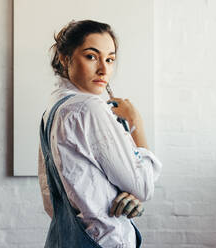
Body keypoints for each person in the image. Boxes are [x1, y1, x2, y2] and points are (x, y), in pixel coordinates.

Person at [38, 20, 162, 248]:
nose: (104, 69)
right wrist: (136, 121)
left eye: (110, 59)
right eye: (91, 56)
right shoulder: (89, 108)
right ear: (65, 57)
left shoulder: (53, 110)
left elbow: (53, 202)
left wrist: (123, 194)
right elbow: (143, 186)